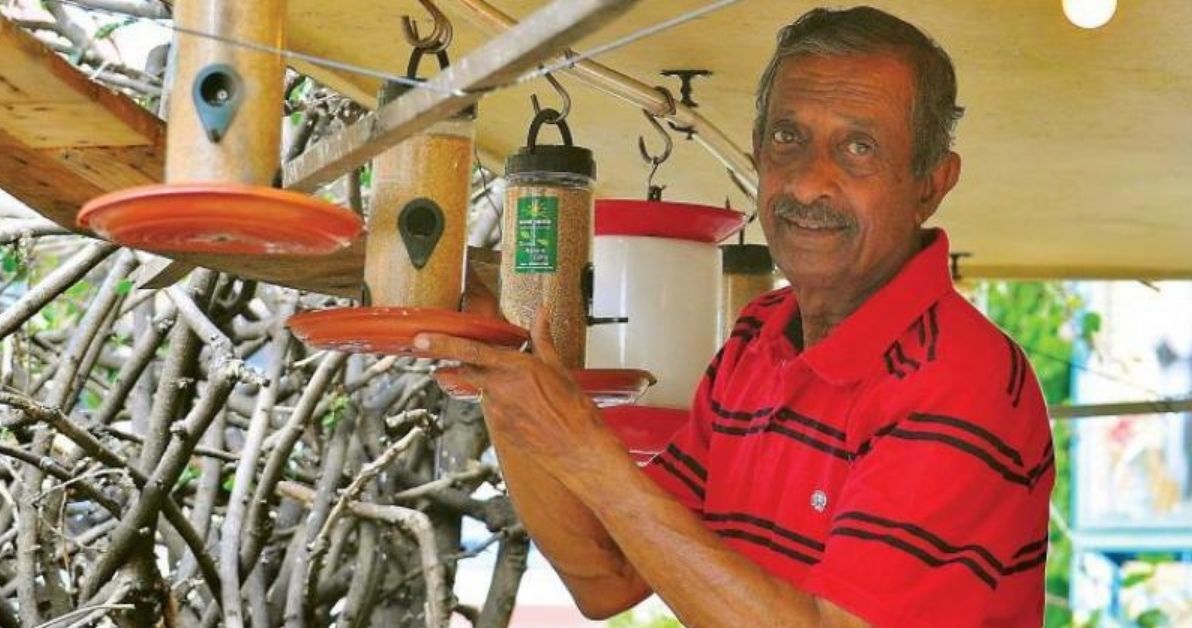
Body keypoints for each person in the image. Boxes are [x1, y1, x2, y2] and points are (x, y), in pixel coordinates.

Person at [416, 6, 1053, 627]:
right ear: (756, 152)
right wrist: (499, 369)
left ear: (930, 184)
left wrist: (587, 453)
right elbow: (604, 574)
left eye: (859, 147)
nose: (807, 184)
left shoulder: (960, 379)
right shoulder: (758, 338)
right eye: (787, 138)